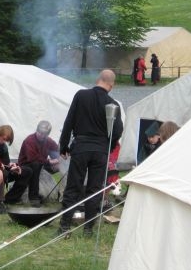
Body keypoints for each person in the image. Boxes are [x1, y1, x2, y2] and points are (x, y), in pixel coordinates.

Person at [57, 69, 123, 237]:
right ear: (111, 85)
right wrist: (108, 146)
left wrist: (63, 146)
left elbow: (69, 121)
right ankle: (88, 229)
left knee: (73, 187)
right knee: (94, 190)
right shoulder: (112, 103)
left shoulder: (81, 95)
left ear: (98, 80)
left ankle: (64, 227)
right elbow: (117, 131)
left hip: (81, 148)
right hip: (100, 151)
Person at [18, 120, 60, 206]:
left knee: (60, 165)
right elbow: (32, 158)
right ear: (37, 130)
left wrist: (58, 159)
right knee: (36, 164)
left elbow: (57, 150)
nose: (42, 135)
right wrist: (49, 161)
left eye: (44, 134)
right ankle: (33, 197)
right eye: (40, 133)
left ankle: (63, 193)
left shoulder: (48, 141)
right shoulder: (29, 140)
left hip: (41, 164)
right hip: (26, 166)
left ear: (47, 134)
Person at [0, 125, 33, 205]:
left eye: (6, 140)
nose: (4, 142)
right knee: (4, 173)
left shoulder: (3, 146)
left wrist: (12, 166)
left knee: (27, 171)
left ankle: (10, 199)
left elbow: (6, 162)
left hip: (2, 169)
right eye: (4, 139)